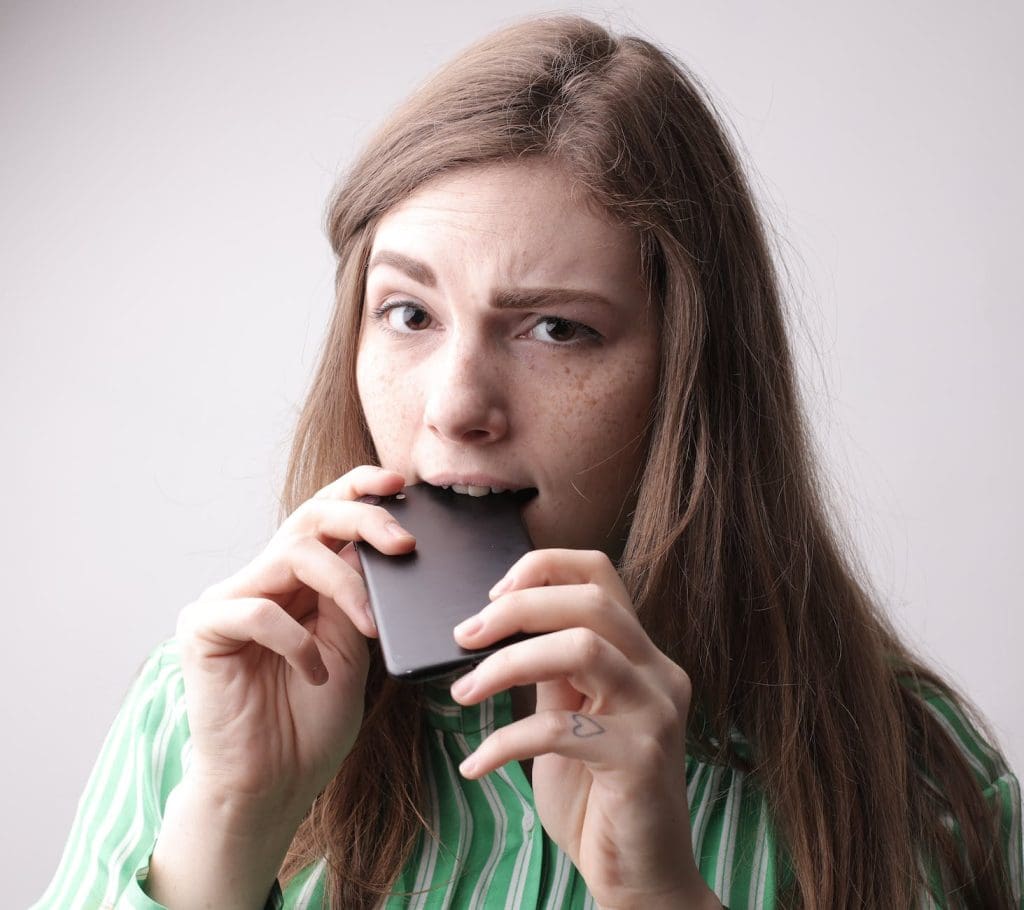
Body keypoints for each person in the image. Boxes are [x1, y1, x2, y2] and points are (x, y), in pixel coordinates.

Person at [34, 14, 1021, 910]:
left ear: (687, 375)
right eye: (409, 313)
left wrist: (658, 893)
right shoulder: (199, 713)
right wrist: (231, 815)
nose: (455, 406)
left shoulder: (916, 776)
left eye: (555, 328)